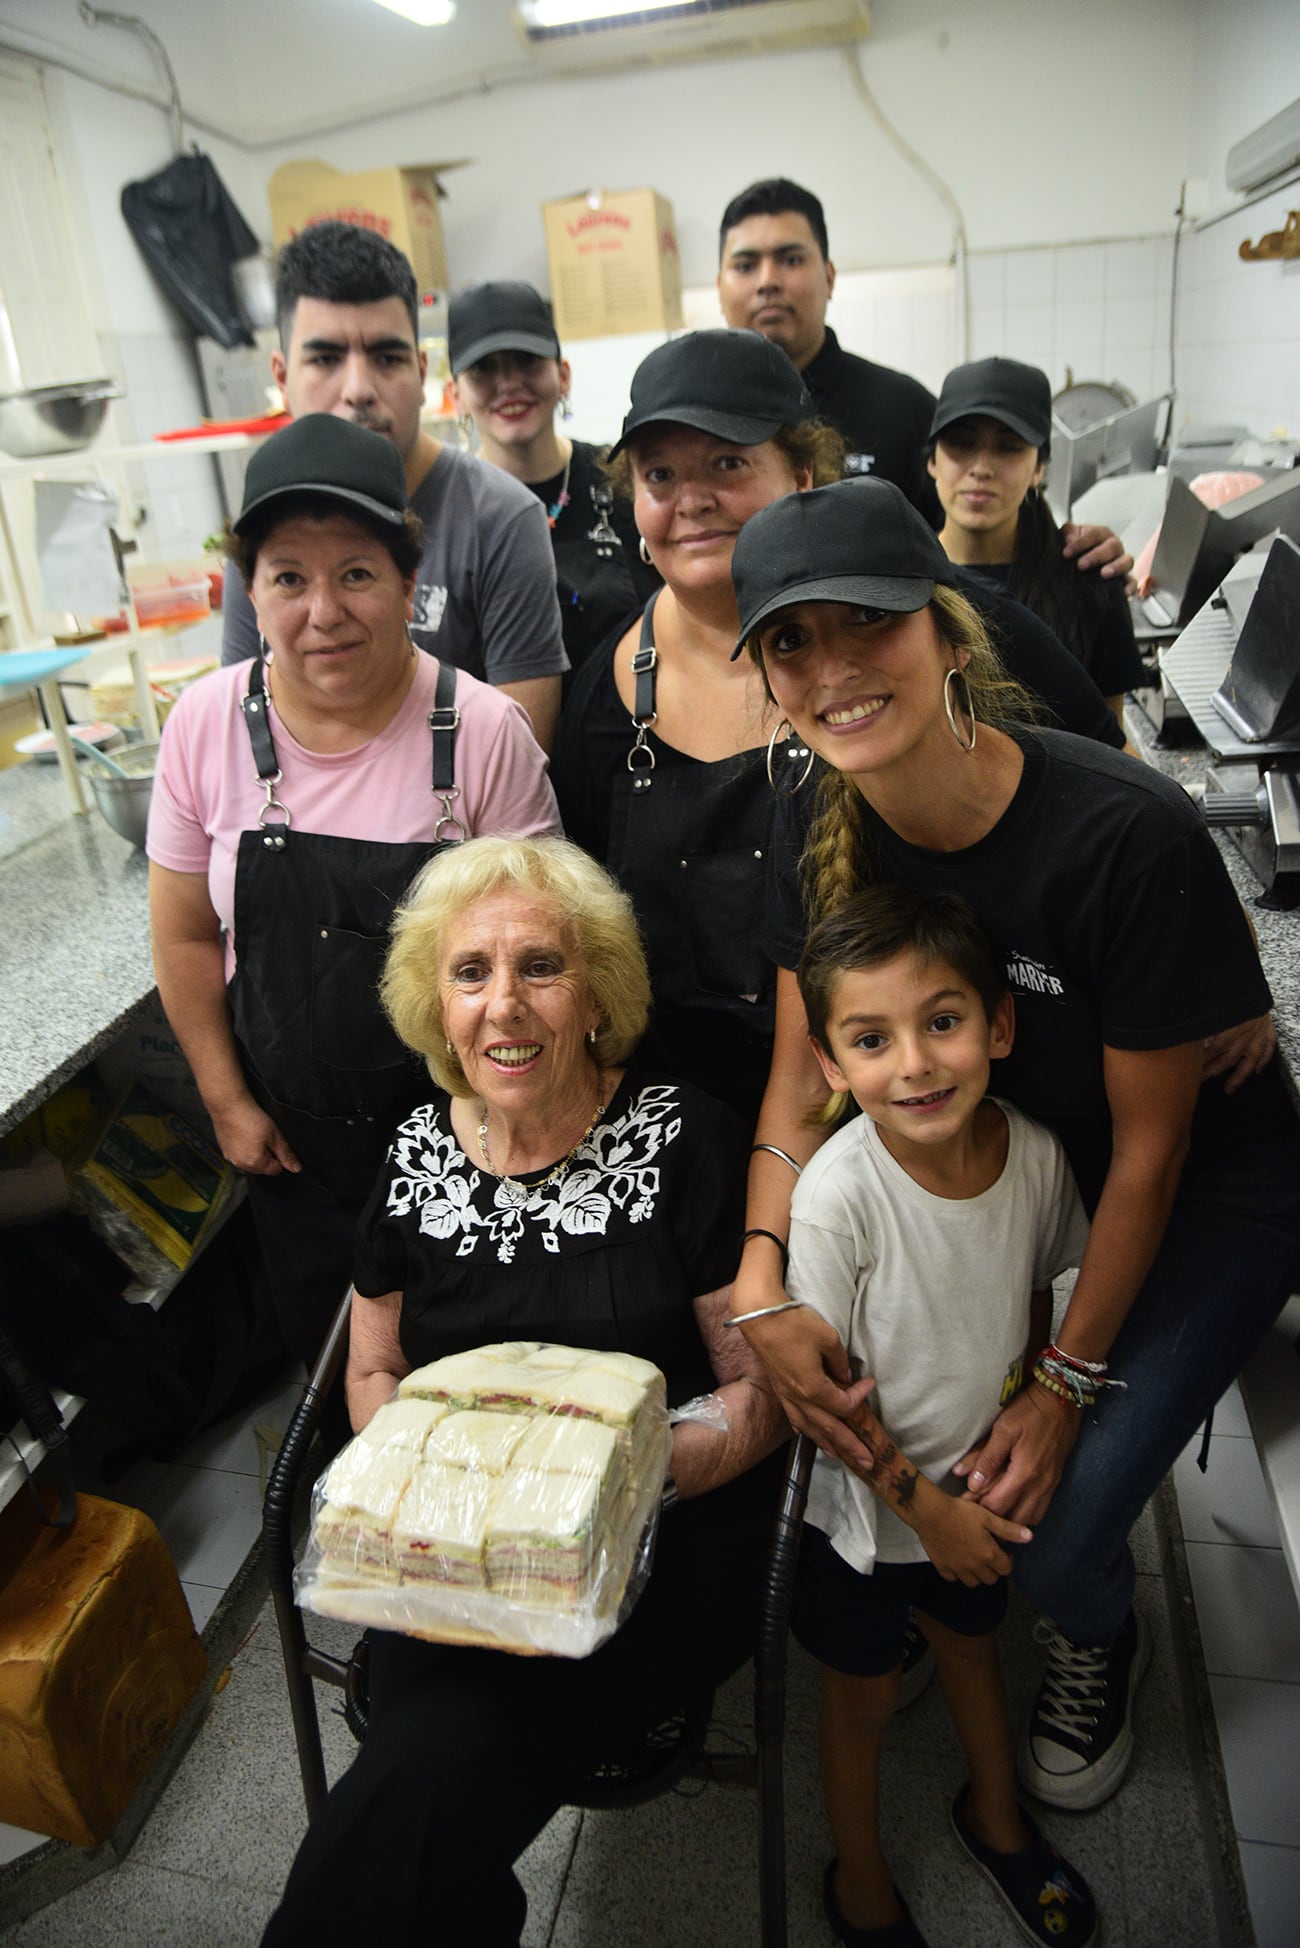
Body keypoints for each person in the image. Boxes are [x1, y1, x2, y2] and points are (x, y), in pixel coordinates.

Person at [725, 475, 1300, 1817]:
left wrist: (1062, 1382)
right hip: (1027, 1173)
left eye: (866, 622)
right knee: (943, 1451)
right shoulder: (813, 819)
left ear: (944, 627)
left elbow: (1155, 1158)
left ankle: (1093, 1626)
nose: (833, 670)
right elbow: (795, 1090)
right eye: (790, 643)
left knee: (1049, 1521)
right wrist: (763, 1281)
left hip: (1202, 1194)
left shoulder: (1119, 836)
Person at [259, 836, 788, 1947]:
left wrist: (603, 1489)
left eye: (540, 966)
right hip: (443, 1552)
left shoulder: (684, 1138)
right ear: (435, 1007)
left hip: (659, 1546)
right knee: (440, 1781)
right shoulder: (411, 1151)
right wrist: (440, 1495)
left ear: (596, 991)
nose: (504, 1006)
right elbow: (371, 1365)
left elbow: (755, 1391)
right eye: (470, 974)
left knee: (435, 1757)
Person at [552, 329, 1122, 1131]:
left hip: (931, 1112)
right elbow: (577, 922)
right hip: (683, 1119)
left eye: (728, 463)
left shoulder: (934, 621)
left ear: (804, 477)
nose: (693, 498)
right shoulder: (605, 689)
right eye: (660, 475)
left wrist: (1212, 984)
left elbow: (1121, 790)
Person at [148, 415, 561, 1396]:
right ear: (251, 593)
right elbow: (182, 930)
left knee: (469, 1386)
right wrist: (225, 1097)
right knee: (338, 1392)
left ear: (409, 584)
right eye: (288, 577)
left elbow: (543, 957)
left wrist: (509, 1128)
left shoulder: (483, 732)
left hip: (466, 1137)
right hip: (291, 1152)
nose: (323, 610)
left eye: (357, 574)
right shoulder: (204, 724)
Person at [788, 885, 1096, 1948]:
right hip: (864, 1515)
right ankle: (862, 1878)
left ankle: (996, 1814)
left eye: (943, 1021)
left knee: (973, 1651)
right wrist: (923, 1509)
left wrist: (1022, 1417)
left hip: (971, 1492)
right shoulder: (836, 1197)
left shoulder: (1040, 1157)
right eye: (871, 1039)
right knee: (861, 1696)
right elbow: (821, 1400)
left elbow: (1045, 1291)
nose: (914, 1064)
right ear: (830, 1064)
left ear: (998, 1024)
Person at [219, 222, 567, 753]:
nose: (358, 390)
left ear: (422, 371)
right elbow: (242, 734)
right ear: (282, 377)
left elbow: (517, 763)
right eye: (325, 359)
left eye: (387, 358)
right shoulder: (265, 523)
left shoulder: (501, 517)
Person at [716, 176, 1133, 585]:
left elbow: (980, 537)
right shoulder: (695, 421)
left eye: (790, 259)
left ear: (828, 277)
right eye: (745, 265)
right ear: (719, 286)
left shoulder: (904, 408)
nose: (767, 280)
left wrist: (1075, 557)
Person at [448, 279, 659, 680]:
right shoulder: (447, 507)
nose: (508, 383)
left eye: (527, 360)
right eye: (482, 369)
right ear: (455, 394)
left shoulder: (623, 478)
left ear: (563, 376)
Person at [928, 357, 1147, 728]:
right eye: (961, 444)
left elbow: (1111, 740)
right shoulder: (903, 582)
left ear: (1039, 467)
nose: (981, 467)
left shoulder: (1088, 580)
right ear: (932, 461)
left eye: (1008, 447)